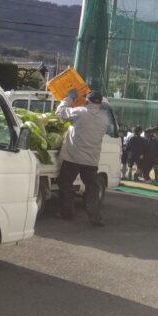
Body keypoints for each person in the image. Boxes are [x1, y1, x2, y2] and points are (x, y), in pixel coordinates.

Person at [55, 89, 109, 227]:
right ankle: (95, 217)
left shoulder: (80, 112)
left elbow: (60, 113)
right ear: (100, 103)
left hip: (73, 157)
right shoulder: (104, 119)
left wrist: (69, 98)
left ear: (87, 101)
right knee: (92, 188)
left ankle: (67, 213)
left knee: (66, 183)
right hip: (91, 160)